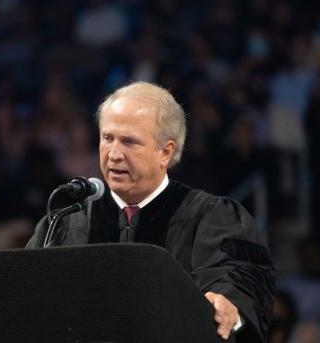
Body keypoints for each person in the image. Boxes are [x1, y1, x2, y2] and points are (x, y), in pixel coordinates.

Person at [26, 81, 275, 341]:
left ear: (165, 152)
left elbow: (236, 277)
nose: (114, 154)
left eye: (129, 142)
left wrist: (227, 304)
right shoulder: (67, 221)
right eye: (107, 138)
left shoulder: (211, 217)